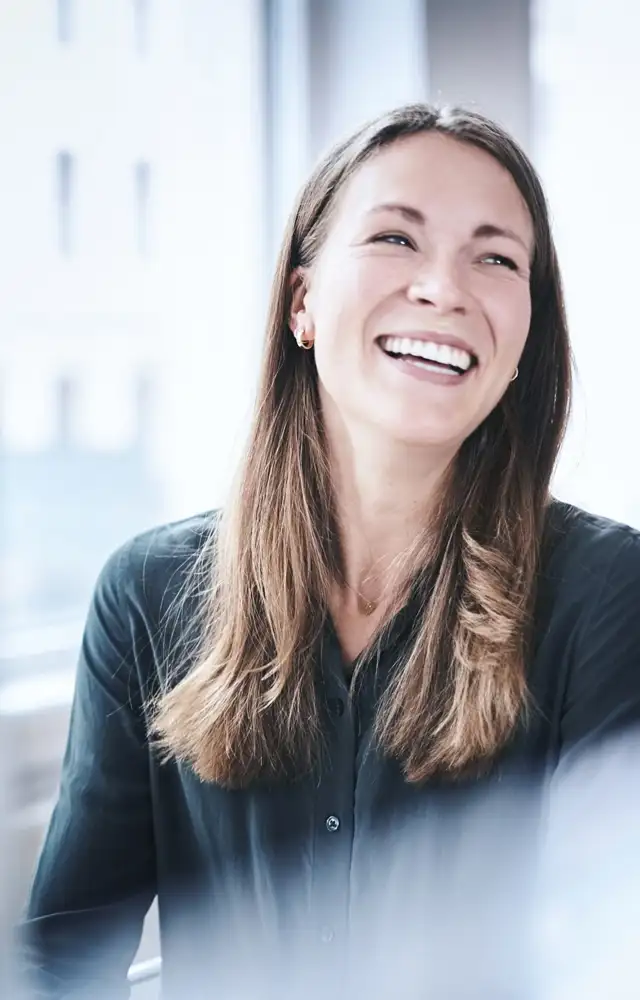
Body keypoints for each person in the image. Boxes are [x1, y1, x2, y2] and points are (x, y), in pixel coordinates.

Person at [20, 103, 640, 999]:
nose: (444, 287)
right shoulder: (147, 594)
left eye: (496, 257)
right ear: (302, 301)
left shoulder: (608, 593)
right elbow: (59, 961)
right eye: (396, 238)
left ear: (524, 343)